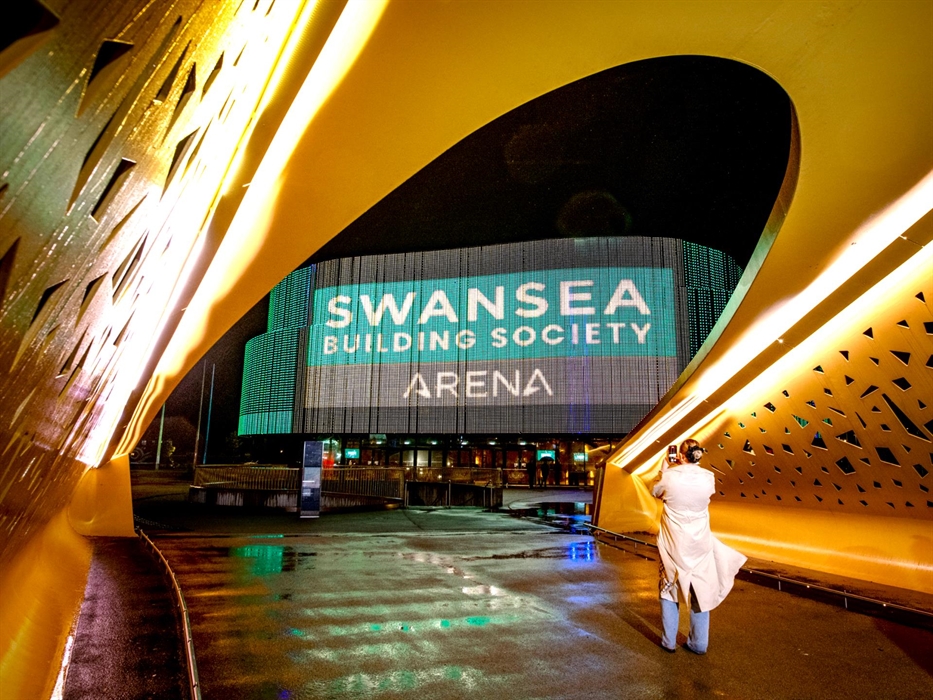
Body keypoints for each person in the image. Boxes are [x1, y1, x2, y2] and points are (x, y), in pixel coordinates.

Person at [652, 439, 746, 654]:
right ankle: (699, 643)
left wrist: (666, 468)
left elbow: (655, 492)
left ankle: (668, 641)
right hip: (699, 542)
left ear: (681, 456)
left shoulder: (669, 477)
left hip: (673, 543)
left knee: (669, 589)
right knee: (701, 590)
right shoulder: (708, 478)